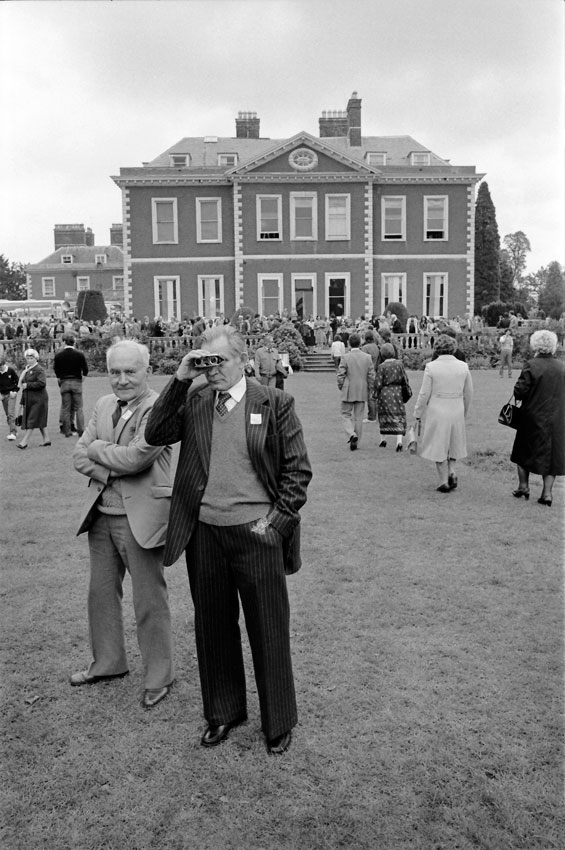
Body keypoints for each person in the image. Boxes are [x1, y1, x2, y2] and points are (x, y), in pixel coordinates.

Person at [144, 325, 312, 754]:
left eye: (218, 361)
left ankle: (278, 720)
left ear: (243, 360)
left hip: (256, 535)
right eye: (205, 361)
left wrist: (274, 524)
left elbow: (297, 473)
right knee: (213, 627)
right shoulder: (197, 400)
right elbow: (156, 434)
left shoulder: (274, 403)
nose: (211, 369)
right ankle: (223, 712)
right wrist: (181, 379)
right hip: (205, 535)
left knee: (268, 628)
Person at [71, 340, 175, 709]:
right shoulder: (102, 404)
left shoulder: (159, 407)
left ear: (146, 370)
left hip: (141, 520)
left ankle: (159, 677)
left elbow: (137, 459)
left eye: (130, 371)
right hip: (101, 516)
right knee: (100, 595)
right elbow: (77, 455)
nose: (122, 379)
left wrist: (98, 449)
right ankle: (108, 663)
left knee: (149, 600)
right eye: (115, 372)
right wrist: (106, 457)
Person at [510, 330, 565, 506]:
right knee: (552, 454)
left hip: (532, 415)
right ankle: (547, 493)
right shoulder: (562, 366)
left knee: (523, 451)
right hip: (556, 416)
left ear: (536, 345)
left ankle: (523, 486)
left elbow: (519, 391)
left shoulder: (531, 365)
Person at [413, 334, 473, 492]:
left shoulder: (431, 367)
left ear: (436, 348)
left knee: (438, 443)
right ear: (453, 348)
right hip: (457, 407)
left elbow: (424, 393)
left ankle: (442, 480)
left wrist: (417, 413)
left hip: (438, 407)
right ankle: (452, 470)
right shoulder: (463, 366)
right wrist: (464, 410)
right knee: (454, 441)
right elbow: (469, 392)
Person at [336, 332, 375, 451]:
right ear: (360, 343)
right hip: (362, 389)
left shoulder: (346, 357)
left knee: (345, 414)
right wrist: (370, 389)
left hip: (348, 389)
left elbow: (340, 375)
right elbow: (371, 376)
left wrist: (341, 386)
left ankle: (351, 434)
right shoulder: (367, 358)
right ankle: (355, 440)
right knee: (359, 417)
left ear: (348, 343)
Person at [373, 343, 411, 452]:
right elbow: (405, 378)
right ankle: (399, 441)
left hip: (385, 393)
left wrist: (375, 394)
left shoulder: (381, 367)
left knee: (384, 416)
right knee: (398, 415)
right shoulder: (399, 364)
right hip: (397, 392)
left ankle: (383, 440)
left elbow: (378, 383)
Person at [53, 334, 89, 437]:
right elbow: (85, 369)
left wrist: (59, 378)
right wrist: (83, 379)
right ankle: (81, 430)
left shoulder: (59, 355)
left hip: (64, 381)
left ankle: (67, 431)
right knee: (79, 408)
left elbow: (56, 369)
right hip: (76, 381)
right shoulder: (79, 354)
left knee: (66, 407)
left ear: (65, 342)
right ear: (74, 342)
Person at [16, 349, 50, 450]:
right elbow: (23, 386)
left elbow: (42, 383)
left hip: (39, 399)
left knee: (32, 419)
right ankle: (47, 439)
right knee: (38, 419)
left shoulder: (39, 369)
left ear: (36, 358)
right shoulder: (27, 369)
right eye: (28, 358)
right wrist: (22, 400)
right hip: (30, 399)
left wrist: (28, 385)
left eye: (31, 358)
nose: (29, 360)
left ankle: (24, 442)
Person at [361, 331, 380, 423]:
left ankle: (372, 417)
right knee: (374, 395)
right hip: (375, 372)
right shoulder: (376, 346)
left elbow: (362, 361)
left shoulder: (365, 347)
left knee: (370, 396)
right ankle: (373, 415)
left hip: (368, 373)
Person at [0, 357, 19, 440]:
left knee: (11, 413)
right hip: (3, 395)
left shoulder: (10, 370)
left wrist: (14, 391)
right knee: (8, 414)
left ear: (4, 364)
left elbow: (17, 381)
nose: (0, 369)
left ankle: (13, 433)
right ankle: (14, 429)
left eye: (1, 367)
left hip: (11, 394)